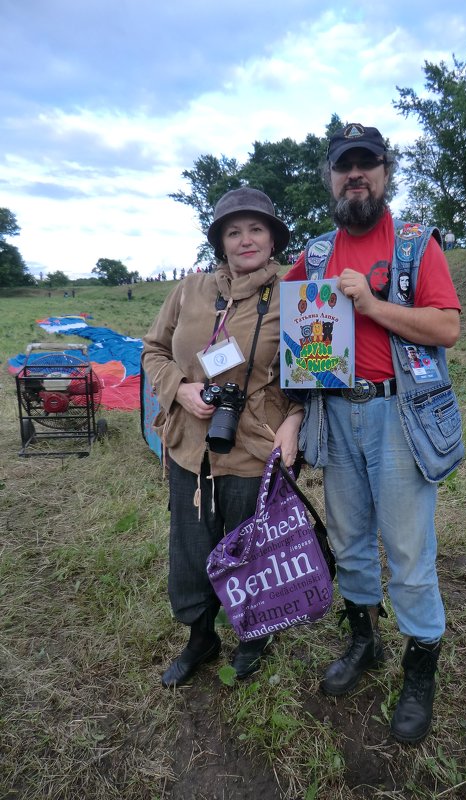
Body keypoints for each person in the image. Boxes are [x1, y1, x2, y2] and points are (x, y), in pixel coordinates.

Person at [285, 123, 463, 744]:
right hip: (333, 414)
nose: (355, 174)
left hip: (399, 414)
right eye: (344, 166)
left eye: (367, 164)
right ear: (329, 178)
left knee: (409, 551)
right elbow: (285, 334)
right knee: (349, 539)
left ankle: (420, 666)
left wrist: (371, 307)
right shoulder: (310, 257)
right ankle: (365, 641)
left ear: (385, 174)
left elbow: (446, 330)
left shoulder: (416, 246)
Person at [142, 188, 303, 688]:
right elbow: (153, 350)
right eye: (233, 231)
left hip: (256, 448)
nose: (245, 239)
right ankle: (200, 637)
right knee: (190, 549)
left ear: (272, 236)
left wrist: (294, 421)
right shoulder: (190, 290)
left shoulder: (296, 294)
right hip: (191, 448)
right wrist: (181, 389)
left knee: (252, 550)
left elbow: (314, 371)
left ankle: (254, 637)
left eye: (256, 228)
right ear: (221, 241)